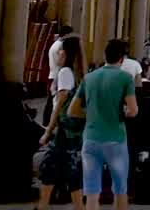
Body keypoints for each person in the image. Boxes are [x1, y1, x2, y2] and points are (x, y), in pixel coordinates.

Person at [68, 39, 138, 210]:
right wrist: (122, 112)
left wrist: (91, 114)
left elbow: (72, 110)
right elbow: (133, 110)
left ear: (105, 56)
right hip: (115, 140)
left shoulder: (89, 77)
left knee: (91, 192)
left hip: (91, 139)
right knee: (120, 190)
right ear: (122, 58)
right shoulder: (125, 78)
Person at [37, 37, 86, 210]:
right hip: (74, 129)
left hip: (63, 129)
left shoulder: (65, 72)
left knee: (50, 165)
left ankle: (43, 206)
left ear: (66, 53)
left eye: (60, 50)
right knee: (67, 167)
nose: (57, 53)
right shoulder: (78, 73)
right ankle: (76, 206)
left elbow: (60, 102)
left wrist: (49, 129)